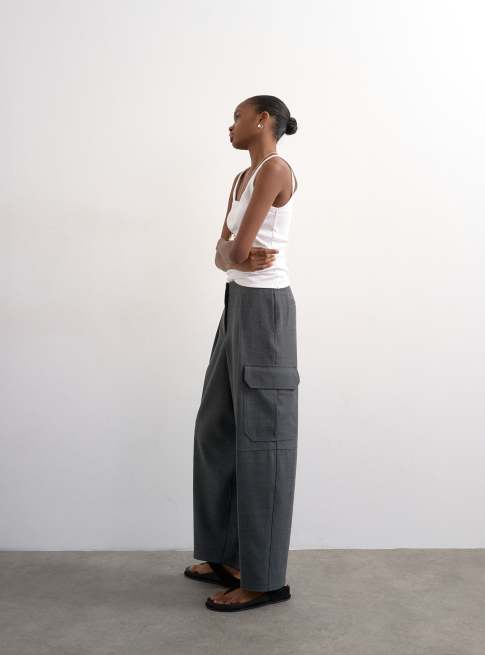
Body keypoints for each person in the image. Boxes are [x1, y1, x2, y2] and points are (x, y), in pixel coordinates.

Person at [184, 95, 300, 612]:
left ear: (262, 120)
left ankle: (264, 578)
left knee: (263, 440)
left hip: (265, 310)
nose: (230, 126)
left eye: (237, 117)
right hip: (236, 303)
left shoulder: (275, 169)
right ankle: (224, 556)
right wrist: (231, 255)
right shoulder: (240, 179)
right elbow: (223, 254)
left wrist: (231, 253)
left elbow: (233, 248)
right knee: (215, 427)